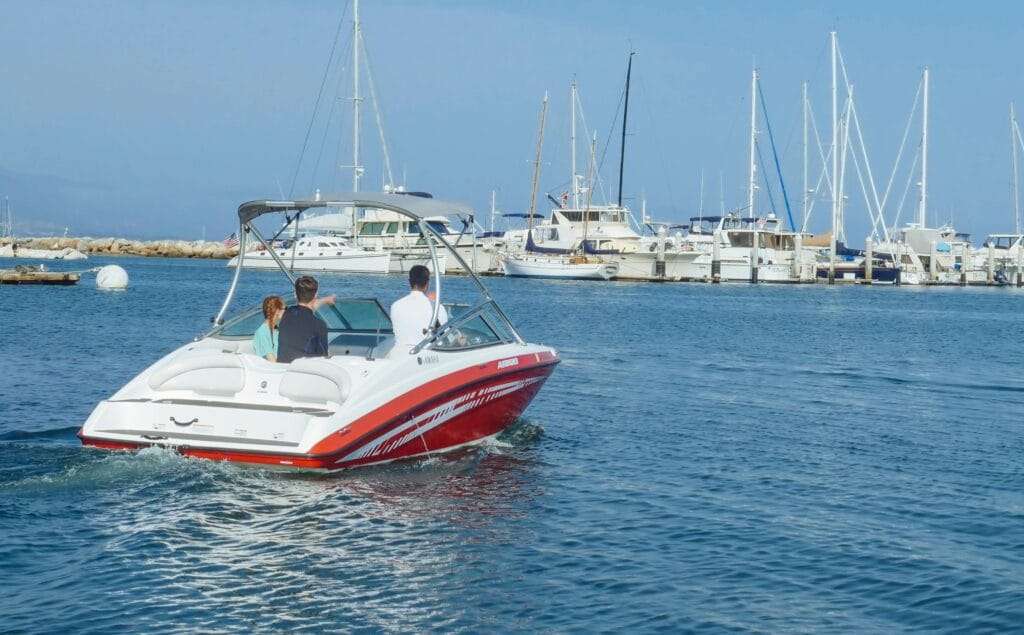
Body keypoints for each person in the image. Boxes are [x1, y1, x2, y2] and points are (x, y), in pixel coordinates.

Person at [277, 276, 336, 363]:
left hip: (283, 370)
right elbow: (322, 359)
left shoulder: (286, 314)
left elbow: (306, 309)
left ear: (295, 294)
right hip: (304, 373)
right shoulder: (319, 325)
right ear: (316, 295)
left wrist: (326, 300)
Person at [390, 265, 448, 352]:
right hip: (426, 357)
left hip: (399, 354)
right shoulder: (437, 308)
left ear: (409, 282)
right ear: (427, 283)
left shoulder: (395, 306)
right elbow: (446, 337)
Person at [252, 295, 285, 361]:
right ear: (278, 311)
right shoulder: (262, 333)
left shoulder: (277, 330)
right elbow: (271, 360)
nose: (286, 311)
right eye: (284, 309)